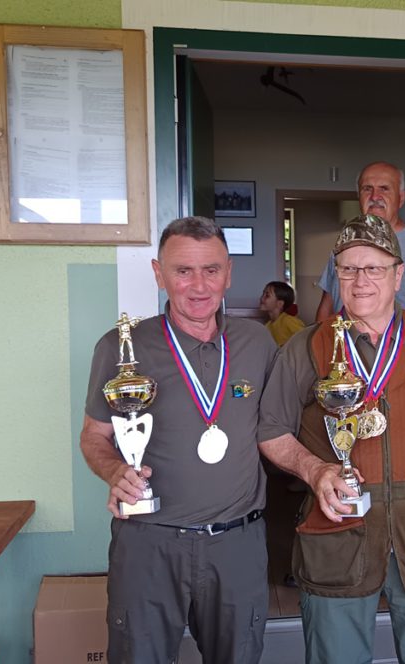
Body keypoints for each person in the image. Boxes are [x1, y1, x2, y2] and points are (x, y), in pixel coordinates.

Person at [259, 214, 405, 664]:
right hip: (337, 538)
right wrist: (314, 470)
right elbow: (271, 431)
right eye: (349, 269)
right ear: (336, 275)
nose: (361, 280)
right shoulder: (306, 346)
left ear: (399, 275)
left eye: (374, 268)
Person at [80, 216, 277, 664]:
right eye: (183, 271)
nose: (199, 285)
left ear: (229, 273)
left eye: (211, 269)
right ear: (159, 273)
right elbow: (94, 436)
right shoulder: (122, 347)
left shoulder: (258, 343)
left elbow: (277, 430)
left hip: (237, 542)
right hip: (149, 541)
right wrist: (115, 471)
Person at [315, 161, 405, 319]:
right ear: (359, 196)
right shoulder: (346, 243)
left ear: (401, 198)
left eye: (384, 188)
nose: (375, 197)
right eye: (367, 188)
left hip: (400, 336)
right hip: (342, 334)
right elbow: (326, 310)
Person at [260, 280, 306, 346]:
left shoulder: (288, 321)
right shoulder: (267, 326)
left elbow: (306, 337)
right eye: (263, 294)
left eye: (267, 295)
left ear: (280, 303)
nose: (262, 298)